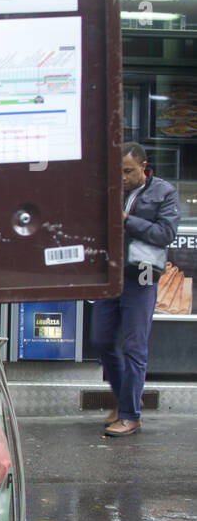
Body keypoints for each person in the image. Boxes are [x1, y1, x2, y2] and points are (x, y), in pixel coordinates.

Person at [92, 142, 180, 437]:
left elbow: (165, 233)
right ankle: (126, 394)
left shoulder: (163, 192)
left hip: (142, 274)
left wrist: (129, 221)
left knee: (134, 346)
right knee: (101, 340)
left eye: (128, 171)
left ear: (144, 167)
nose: (123, 177)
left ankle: (130, 414)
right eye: (118, 171)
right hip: (111, 274)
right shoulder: (110, 191)